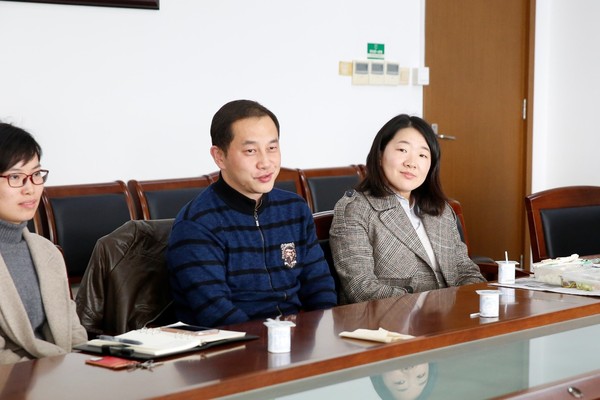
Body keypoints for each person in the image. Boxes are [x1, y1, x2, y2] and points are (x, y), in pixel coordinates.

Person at [166, 100, 337, 327]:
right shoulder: (197, 224)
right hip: (231, 343)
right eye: (250, 151)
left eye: (272, 148)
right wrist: (276, 340)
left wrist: (324, 334)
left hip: (294, 340)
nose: (265, 163)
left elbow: (320, 289)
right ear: (219, 157)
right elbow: (216, 313)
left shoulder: (294, 209)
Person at [329, 114, 485, 304]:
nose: (412, 162)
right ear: (380, 155)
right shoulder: (356, 209)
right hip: (391, 318)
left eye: (422, 155)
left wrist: (475, 300)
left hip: (453, 315)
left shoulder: (441, 209)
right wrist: (428, 306)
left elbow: (464, 270)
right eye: (403, 150)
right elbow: (361, 288)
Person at [0, 122, 87, 364]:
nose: (31, 189)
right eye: (16, 177)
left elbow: (74, 332)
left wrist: (85, 368)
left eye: (36, 174)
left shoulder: (46, 251)